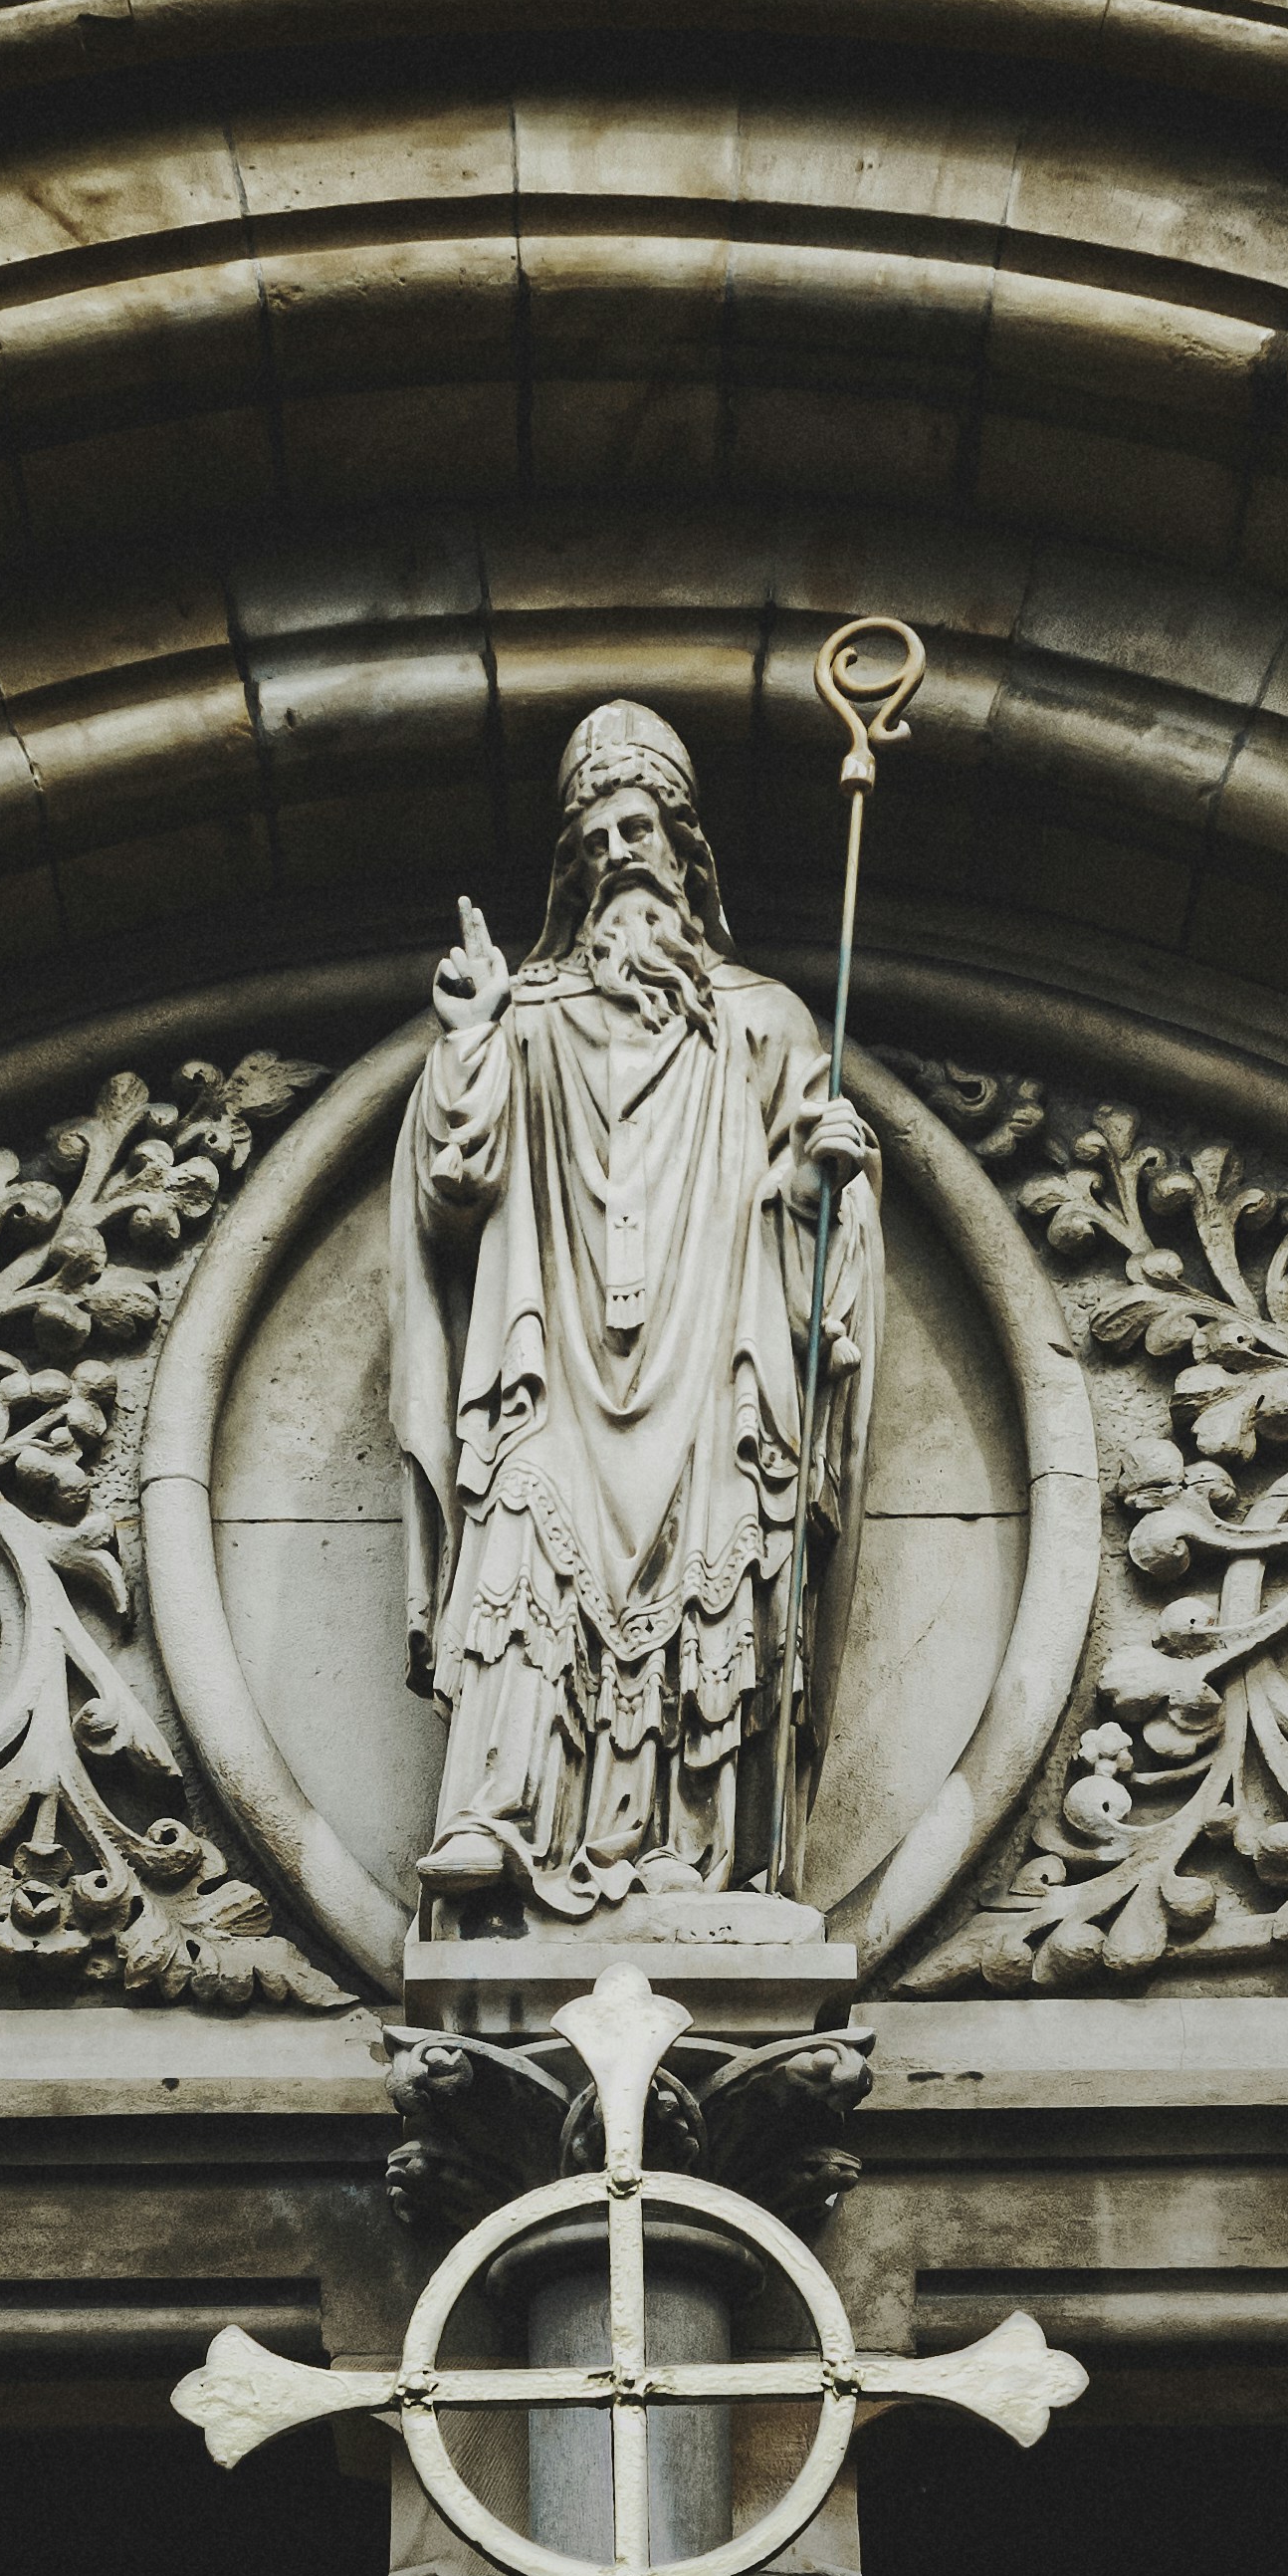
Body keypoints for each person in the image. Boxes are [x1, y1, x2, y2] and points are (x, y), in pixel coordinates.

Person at [387, 701, 881, 1923]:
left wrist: (827, 1175)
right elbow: (456, 1192)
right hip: (548, 1353)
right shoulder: (531, 1023)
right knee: (523, 1538)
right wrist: (467, 1045)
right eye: (595, 837)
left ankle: (693, 1859)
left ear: (682, 857)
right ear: (572, 873)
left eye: (639, 831)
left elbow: (821, 1231)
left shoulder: (765, 1023)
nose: (618, 853)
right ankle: (495, 1819)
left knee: (714, 1567)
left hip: (719, 1359)